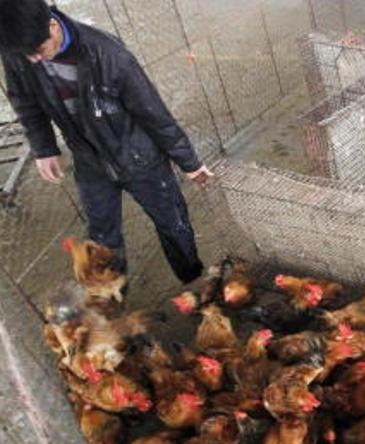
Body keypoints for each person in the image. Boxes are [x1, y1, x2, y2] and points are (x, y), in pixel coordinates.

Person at [0, 0, 211, 284]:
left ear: (52, 25)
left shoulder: (108, 53)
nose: (34, 61)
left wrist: (189, 162)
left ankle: (193, 279)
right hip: (89, 160)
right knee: (101, 240)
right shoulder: (18, 53)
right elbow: (25, 103)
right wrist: (44, 148)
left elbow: (152, 111)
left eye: (39, 51)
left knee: (173, 221)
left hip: (139, 156)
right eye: (27, 56)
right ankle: (111, 298)